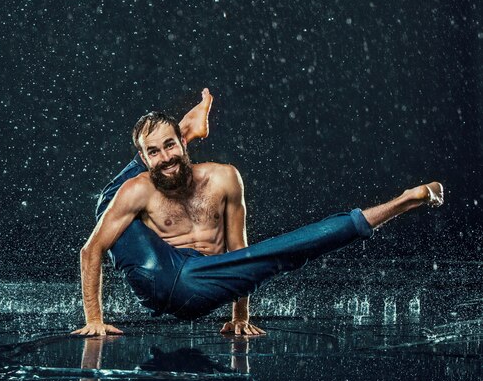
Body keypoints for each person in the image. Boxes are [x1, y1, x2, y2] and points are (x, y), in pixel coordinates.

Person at [72, 89, 444, 337]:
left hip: (202, 284)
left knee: (285, 250)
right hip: (155, 278)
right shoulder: (138, 189)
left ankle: (402, 202)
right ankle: (189, 124)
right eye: (153, 152)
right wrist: (94, 319)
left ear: (181, 146)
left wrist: (240, 316)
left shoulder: (224, 179)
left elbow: (241, 252)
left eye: (171, 145)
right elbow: (91, 250)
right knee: (109, 199)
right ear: (144, 157)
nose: (165, 158)